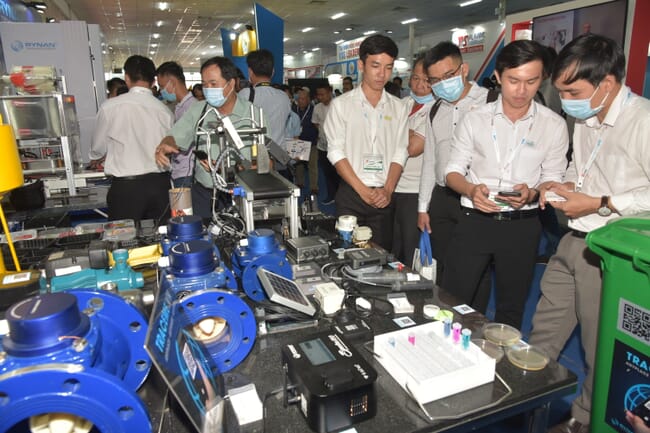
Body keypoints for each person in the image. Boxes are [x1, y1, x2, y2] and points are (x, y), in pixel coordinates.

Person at [529, 34, 650, 433]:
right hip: (573, 241)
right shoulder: (585, 117)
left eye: (572, 90)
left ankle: (583, 420)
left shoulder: (644, 122)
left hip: (614, 256)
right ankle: (528, 407)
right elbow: (579, 171)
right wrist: (561, 185)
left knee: (600, 348)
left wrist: (601, 202)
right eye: (560, 90)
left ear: (608, 84)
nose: (565, 99)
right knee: (543, 332)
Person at [442, 39, 568, 329]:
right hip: (475, 221)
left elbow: (554, 178)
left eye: (531, 81)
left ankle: (500, 366)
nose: (522, 91)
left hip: (522, 226)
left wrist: (535, 192)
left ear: (542, 79)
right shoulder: (475, 119)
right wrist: (471, 190)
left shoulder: (553, 125)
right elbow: (453, 172)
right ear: (498, 77)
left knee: (512, 306)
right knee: (452, 300)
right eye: (513, 81)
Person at [324, 34, 409, 251]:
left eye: (388, 67)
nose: (382, 74)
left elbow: (401, 151)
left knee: (380, 257)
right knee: (347, 255)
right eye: (376, 66)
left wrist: (388, 191)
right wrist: (362, 190)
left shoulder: (398, 108)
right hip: (352, 193)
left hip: (383, 196)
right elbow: (335, 151)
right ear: (361, 65)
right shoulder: (341, 105)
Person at [155, 56, 265, 219]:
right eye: (205, 84)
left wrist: (256, 166)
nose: (208, 89)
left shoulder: (253, 114)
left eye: (213, 84)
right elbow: (176, 135)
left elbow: (267, 158)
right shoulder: (199, 111)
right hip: (205, 194)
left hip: (242, 193)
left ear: (231, 83)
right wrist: (165, 144)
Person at [417, 41, 491, 284]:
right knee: (443, 266)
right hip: (442, 199)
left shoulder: (490, 102)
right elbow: (430, 160)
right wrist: (423, 207)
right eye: (435, 80)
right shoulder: (435, 109)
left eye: (448, 75)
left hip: (476, 199)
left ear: (464, 69)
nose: (442, 84)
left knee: (475, 270)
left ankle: (474, 320)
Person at [90, 55, 174, 223]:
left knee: (123, 240)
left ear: (127, 78)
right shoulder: (165, 111)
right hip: (159, 186)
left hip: (126, 188)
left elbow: (98, 148)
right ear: (153, 80)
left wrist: (95, 158)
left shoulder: (110, 107)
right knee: (162, 237)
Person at [392, 56, 433, 266]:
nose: (420, 85)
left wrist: (394, 133)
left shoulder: (437, 109)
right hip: (391, 186)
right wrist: (406, 133)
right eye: (416, 78)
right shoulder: (402, 104)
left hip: (415, 191)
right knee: (392, 249)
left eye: (427, 80)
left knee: (411, 252)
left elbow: (413, 148)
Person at [238, 49, 291, 153]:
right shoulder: (284, 96)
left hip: (255, 155)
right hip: (278, 156)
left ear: (250, 71)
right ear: (273, 72)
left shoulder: (245, 94)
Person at [156, 61, 197, 187]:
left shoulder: (192, 107)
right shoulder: (179, 107)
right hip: (179, 171)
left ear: (172, 83)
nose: (161, 91)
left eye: (162, 86)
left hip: (187, 173)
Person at [312, 83, 338, 205]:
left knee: (339, 173)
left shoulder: (338, 105)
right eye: (318, 95)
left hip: (338, 147)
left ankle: (341, 197)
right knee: (327, 173)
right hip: (322, 146)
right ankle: (331, 195)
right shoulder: (317, 107)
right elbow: (316, 123)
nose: (320, 97)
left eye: (323, 94)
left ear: (329, 92)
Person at [293, 88, 319, 202]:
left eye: (303, 99)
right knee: (299, 165)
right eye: (299, 99)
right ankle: (300, 183)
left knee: (312, 165)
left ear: (308, 99)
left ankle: (314, 187)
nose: (301, 101)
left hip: (311, 141)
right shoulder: (293, 110)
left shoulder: (314, 110)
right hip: (299, 141)